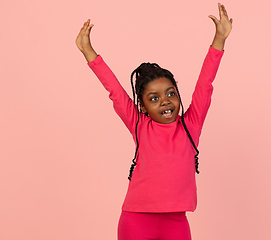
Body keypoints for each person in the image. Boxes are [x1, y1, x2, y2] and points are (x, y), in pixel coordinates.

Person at [75, 3, 232, 240]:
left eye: (171, 94)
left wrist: (219, 40)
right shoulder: (139, 125)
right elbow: (116, 92)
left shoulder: (191, 125)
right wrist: (89, 53)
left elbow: (205, 85)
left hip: (176, 221)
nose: (165, 102)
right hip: (136, 220)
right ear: (143, 107)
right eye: (154, 98)